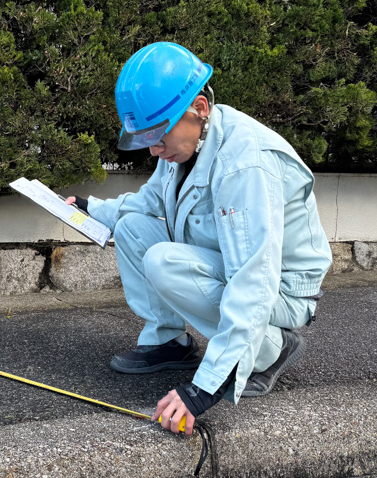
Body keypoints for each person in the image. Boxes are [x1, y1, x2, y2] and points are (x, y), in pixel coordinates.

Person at [65, 42, 332, 435]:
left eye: (159, 135)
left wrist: (204, 388)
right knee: (134, 228)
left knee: (162, 260)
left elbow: (254, 279)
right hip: (232, 261)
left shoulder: (245, 164)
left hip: (281, 289)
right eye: (145, 139)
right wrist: (90, 208)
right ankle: (169, 343)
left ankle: (269, 351)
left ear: (199, 109)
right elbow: (147, 202)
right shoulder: (187, 145)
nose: (154, 149)